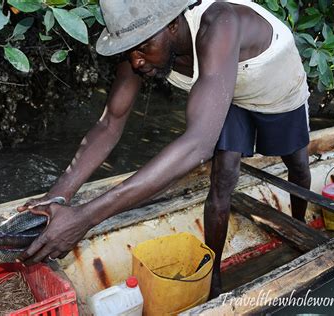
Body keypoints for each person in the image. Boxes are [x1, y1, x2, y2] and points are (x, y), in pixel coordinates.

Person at [17, 0, 312, 298]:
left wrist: (85, 217)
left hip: (274, 86)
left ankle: (299, 228)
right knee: (222, 180)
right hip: (224, 93)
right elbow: (110, 124)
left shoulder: (220, 22)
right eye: (129, 50)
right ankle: (214, 279)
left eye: (143, 47)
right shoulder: (141, 48)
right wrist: (58, 195)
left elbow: (198, 143)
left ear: (172, 25)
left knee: (297, 162)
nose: (137, 62)